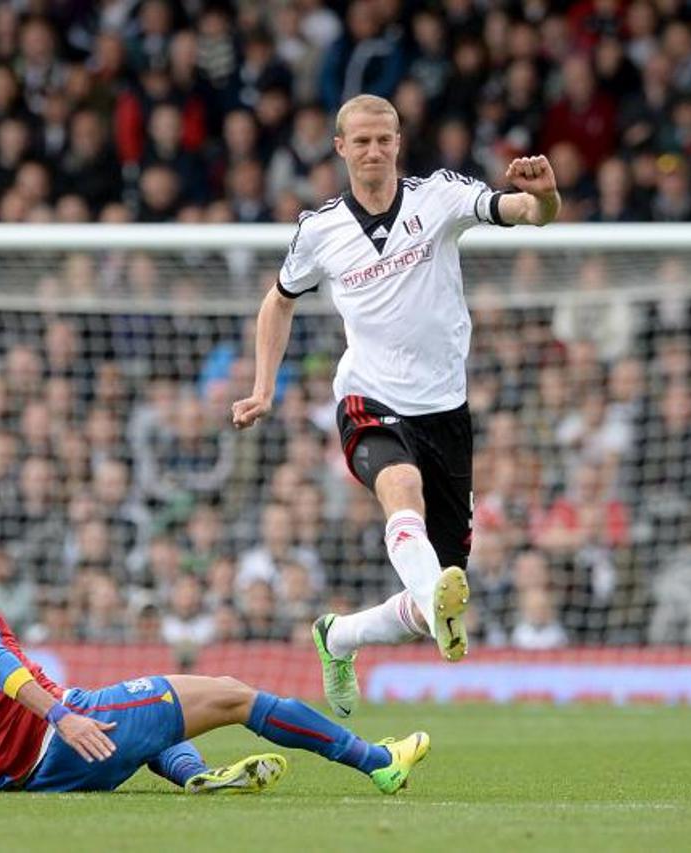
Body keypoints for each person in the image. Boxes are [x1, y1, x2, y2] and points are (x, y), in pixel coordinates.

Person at [231, 93, 559, 716]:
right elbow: (278, 300)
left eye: (384, 139)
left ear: (399, 141)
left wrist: (543, 196)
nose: (374, 151)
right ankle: (431, 596)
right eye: (361, 141)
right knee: (400, 487)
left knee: (431, 600)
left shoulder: (440, 196)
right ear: (340, 148)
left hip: (446, 413)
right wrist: (264, 387)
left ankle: (339, 636)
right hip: (368, 399)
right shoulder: (319, 229)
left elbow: (527, 212)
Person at [0, 530, 428, 795]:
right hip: (60, 740)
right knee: (233, 693)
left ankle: (195, 777)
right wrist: (60, 717)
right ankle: (378, 760)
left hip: (16, 777)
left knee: (153, 718)